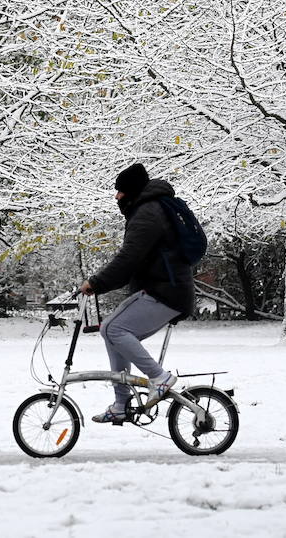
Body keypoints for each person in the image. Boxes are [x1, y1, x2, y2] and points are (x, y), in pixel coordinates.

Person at [80, 163, 196, 424]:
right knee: (111, 332)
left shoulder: (147, 214)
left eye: (120, 191)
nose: (116, 197)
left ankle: (160, 377)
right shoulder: (148, 209)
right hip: (163, 289)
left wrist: (96, 283)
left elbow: (128, 259)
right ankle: (121, 403)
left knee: (113, 329)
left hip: (167, 292)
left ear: (131, 192)